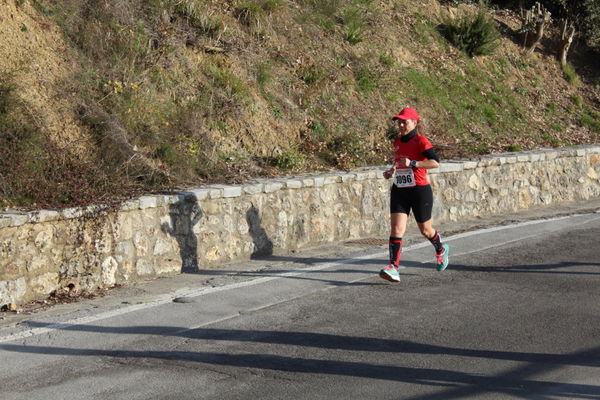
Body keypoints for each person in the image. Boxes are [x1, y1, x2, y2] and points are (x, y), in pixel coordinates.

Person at [380, 107, 449, 282]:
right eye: (399, 122)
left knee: (425, 230)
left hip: (419, 190)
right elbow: (399, 162)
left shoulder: (421, 141)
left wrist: (414, 163)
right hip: (400, 190)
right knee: (396, 229)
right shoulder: (397, 142)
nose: (401, 125)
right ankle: (393, 267)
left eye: (405, 121)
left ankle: (440, 248)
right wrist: (391, 170)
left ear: (414, 122)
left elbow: (435, 163)